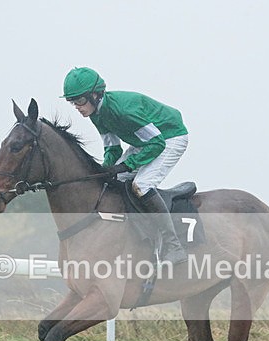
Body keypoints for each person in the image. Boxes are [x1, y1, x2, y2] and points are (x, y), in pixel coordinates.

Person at [61, 67, 189, 265]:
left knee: (142, 185)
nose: (77, 107)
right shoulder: (97, 114)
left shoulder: (123, 111)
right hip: (146, 141)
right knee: (113, 181)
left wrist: (128, 165)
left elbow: (157, 144)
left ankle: (174, 246)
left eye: (80, 101)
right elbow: (112, 148)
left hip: (170, 137)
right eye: (73, 102)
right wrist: (105, 169)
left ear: (95, 95)